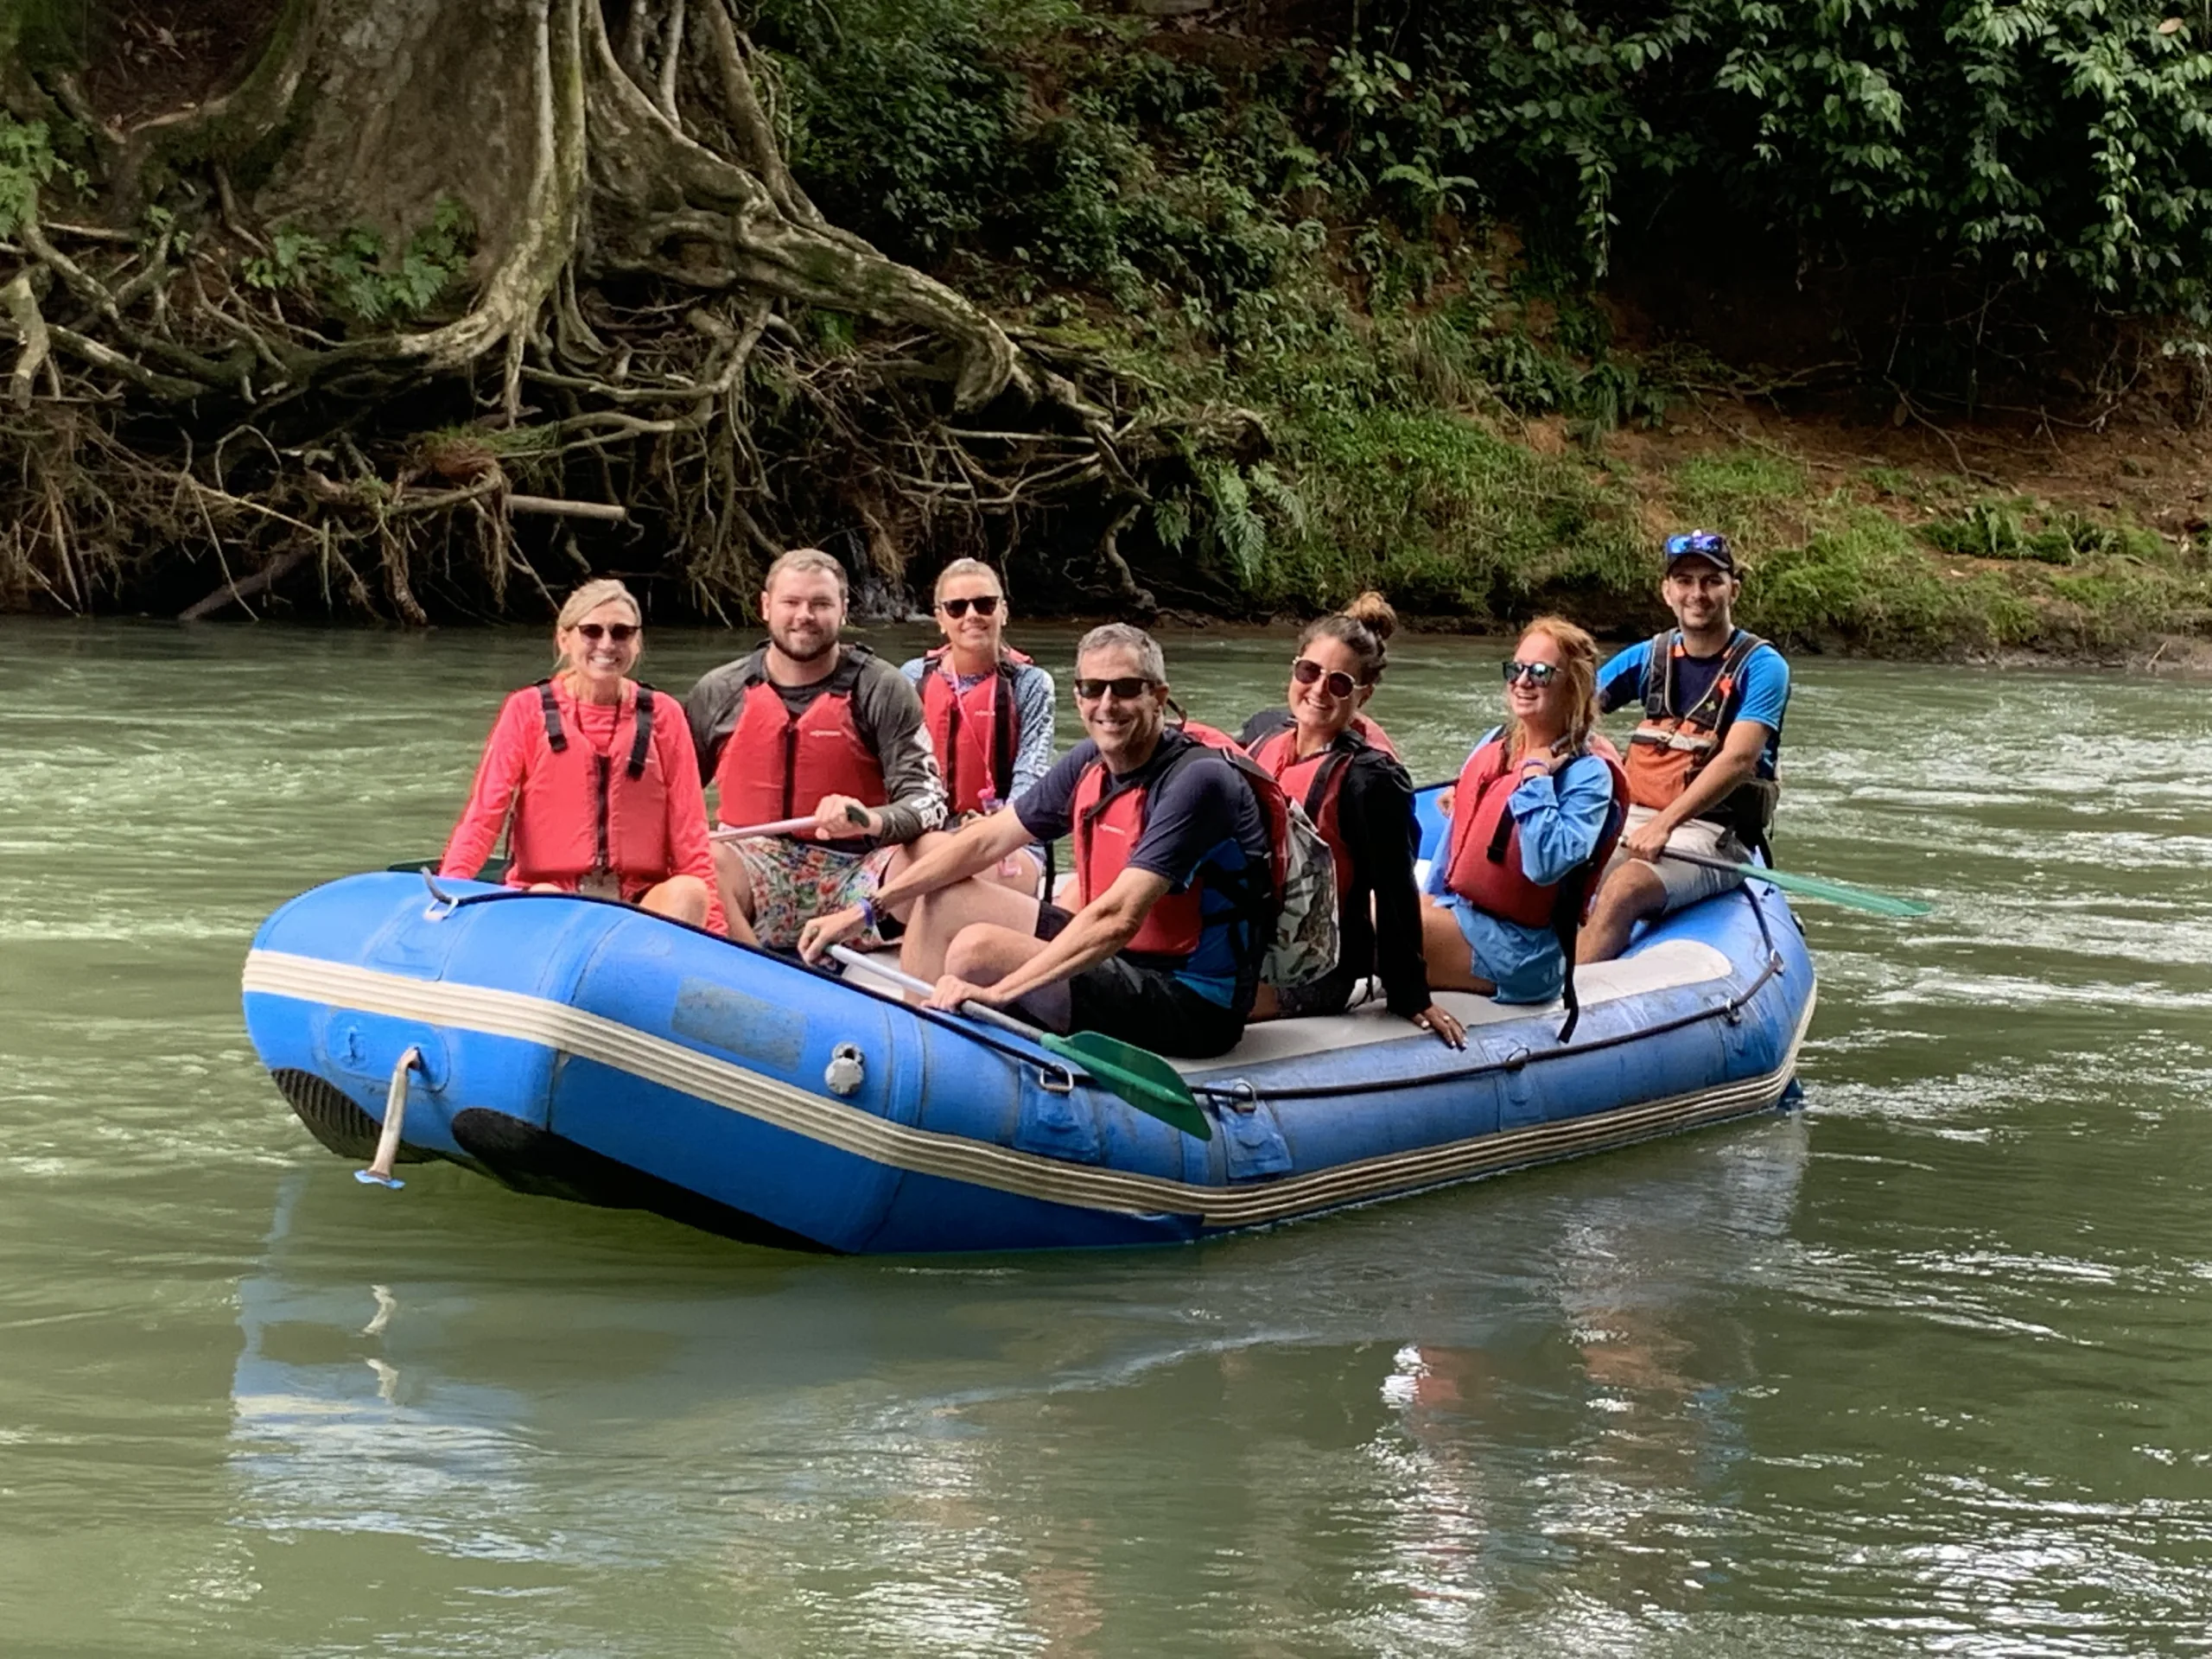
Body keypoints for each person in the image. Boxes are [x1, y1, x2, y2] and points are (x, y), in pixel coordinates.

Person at [797, 624, 1279, 1059]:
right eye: (1093, 689)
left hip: (1190, 1003)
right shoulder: (1093, 760)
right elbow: (985, 841)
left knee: (976, 949)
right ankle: (919, 1041)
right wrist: (865, 910)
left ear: (1159, 696)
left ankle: (935, 1061)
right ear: (1079, 695)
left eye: (1126, 689)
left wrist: (1001, 990)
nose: (1107, 705)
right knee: (944, 895)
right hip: (1121, 963)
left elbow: (1116, 919)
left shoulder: (1199, 782)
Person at [684, 548, 946, 948]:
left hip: (861, 868)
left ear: (843, 610)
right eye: (791, 602)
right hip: (753, 867)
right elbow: (673, 802)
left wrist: (868, 819)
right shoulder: (719, 691)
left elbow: (928, 800)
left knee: (938, 850)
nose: (804, 615)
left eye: (820, 603)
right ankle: (754, 975)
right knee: (702, 856)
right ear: (766, 606)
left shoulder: (882, 688)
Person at [1237, 594, 1465, 1048]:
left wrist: (1411, 996)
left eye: (1340, 683)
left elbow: (1396, 891)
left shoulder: (1371, 780)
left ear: (1363, 694)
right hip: (1245, 938)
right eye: (1309, 672)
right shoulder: (1264, 742)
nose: (1319, 690)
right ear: (1294, 670)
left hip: (1315, 966)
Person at [438, 579, 721, 931]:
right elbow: (484, 816)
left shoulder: (665, 714)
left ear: (636, 641)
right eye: (591, 631)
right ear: (564, 639)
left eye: (621, 633)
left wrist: (717, 930)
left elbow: (690, 833)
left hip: (638, 900)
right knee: (543, 896)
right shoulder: (525, 709)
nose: (606, 644)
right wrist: (449, 890)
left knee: (690, 892)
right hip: (550, 893)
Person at [1578, 530, 1790, 963]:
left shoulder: (1764, 667)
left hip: (1713, 832)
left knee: (1623, 888)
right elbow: (1568, 715)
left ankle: (1568, 1008)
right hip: (1632, 813)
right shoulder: (1648, 657)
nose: (1698, 593)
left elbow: (1739, 758)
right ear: (1667, 591)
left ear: (1734, 588)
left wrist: (1664, 825)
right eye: (1685, 581)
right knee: (1553, 866)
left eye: (1711, 581)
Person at [1421, 617, 1626, 1014]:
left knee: (1370, 926)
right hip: (1463, 914)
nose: (1523, 681)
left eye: (1541, 672)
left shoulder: (1588, 775)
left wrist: (1535, 778)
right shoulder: (1495, 743)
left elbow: (1545, 865)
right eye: (1517, 669)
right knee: (1367, 910)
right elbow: (1453, 849)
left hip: (1520, 951)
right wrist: (1427, 904)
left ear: (1574, 685)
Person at [899, 558, 1057, 894]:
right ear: (941, 619)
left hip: (1009, 835)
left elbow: (1032, 772)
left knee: (951, 884)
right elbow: (896, 768)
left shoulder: (1031, 684)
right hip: (928, 830)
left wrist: (997, 828)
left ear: (1003, 611)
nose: (971, 615)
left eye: (984, 604)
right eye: (956, 607)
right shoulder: (912, 677)